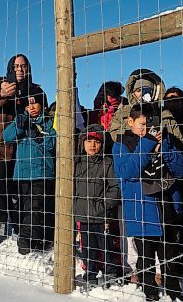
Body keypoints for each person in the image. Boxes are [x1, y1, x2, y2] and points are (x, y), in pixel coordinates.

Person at [112, 104, 183, 301]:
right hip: (141, 211)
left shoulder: (165, 139)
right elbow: (127, 172)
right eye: (142, 124)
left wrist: (166, 149)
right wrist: (147, 143)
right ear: (130, 122)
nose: (147, 129)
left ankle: (174, 295)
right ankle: (150, 295)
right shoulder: (122, 144)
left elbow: (181, 170)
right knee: (145, 261)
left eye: (151, 124)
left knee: (171, 259)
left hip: (167, 207)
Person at [0, 53, 42, 234]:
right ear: (10, 68)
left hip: (24, 149)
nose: (20, 69)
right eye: (16, 66)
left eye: (23, 66)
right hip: (1, 147)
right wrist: (2, 93)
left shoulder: (35, 89)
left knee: (21, 191)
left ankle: (20, 228)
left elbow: (43, 110)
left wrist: (36, 110)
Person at [2, 86, 56, 255]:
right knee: (27, 208)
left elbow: (53, 144)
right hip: (23, 174)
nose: (31, 108)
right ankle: (37, 241)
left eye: (35, 104)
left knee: (37, 208)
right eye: (27, 105)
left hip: (42, 173)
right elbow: (6, 137)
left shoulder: (48, 123)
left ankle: (26, 239)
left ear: (42, 104)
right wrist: (20, 124)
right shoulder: (21, 121)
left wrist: (40, 138)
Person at [74, 124, 121, 289]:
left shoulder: (107, 163)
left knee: (107, 248)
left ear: (102, 144)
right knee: (88, 249)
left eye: (96, 141)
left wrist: (105, 205)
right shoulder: (77, 164)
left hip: (102, 216)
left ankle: (111, 276)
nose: (92, 145)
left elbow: (114, 187)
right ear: (82, 143)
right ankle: (91, 276)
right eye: (89, 141)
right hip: (83, 215)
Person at [108, 68, 183, 145]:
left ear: (154, 92)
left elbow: (179, 141)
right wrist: (138, 138)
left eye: (147, 90)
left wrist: (164, 140)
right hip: (131, 153)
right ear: (132, 92)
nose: (142, 93)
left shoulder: (165, 114)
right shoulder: (122, 113)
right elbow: (114, 135)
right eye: (138, 90)